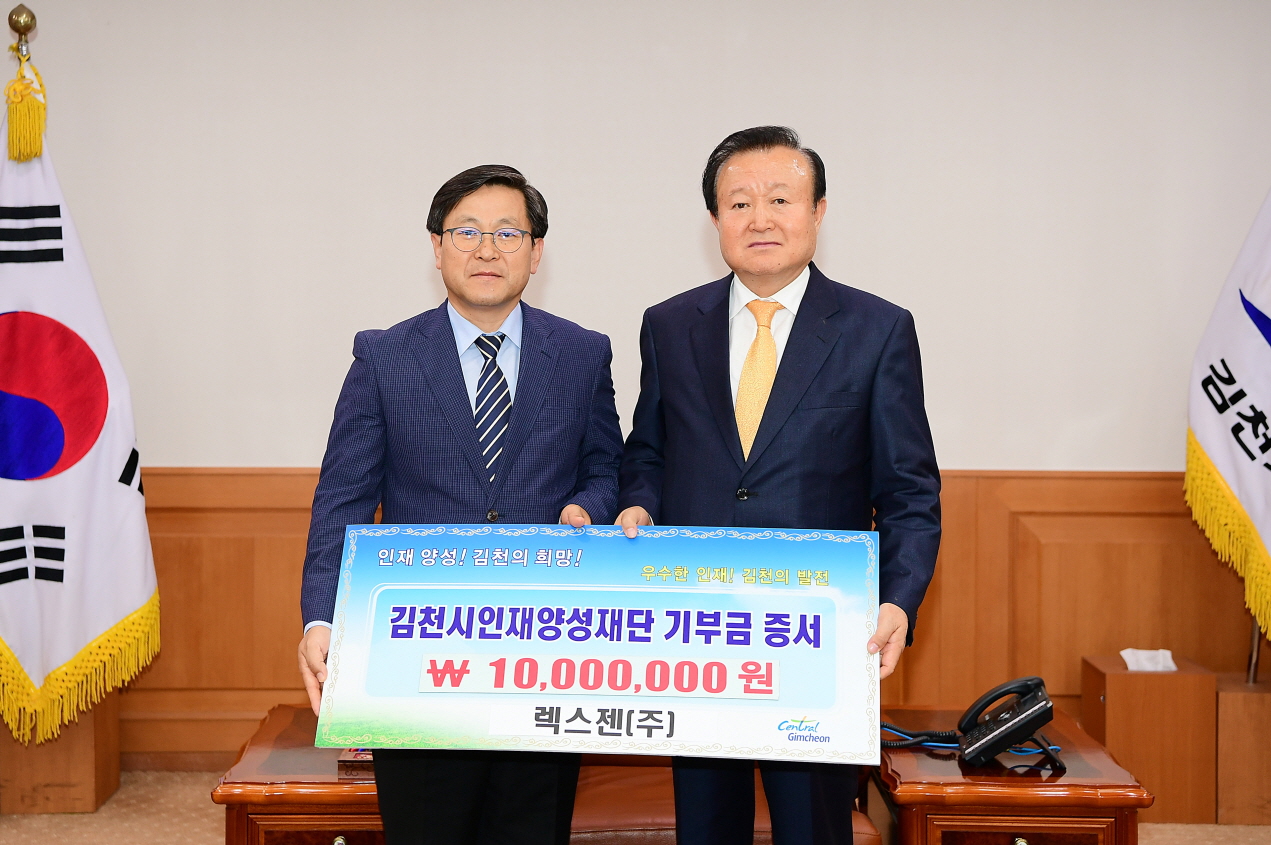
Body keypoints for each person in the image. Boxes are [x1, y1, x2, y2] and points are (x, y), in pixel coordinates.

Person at [616, 126, 941, 845]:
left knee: (812, 828)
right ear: (714, 219)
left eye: (780, 199)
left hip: (815, 636)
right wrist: (637, 501)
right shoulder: (669, 324)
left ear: (818, 211)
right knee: (706, 825)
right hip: (696, 630)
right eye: (739, 203)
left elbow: (909, 490)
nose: (758, 218)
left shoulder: (877, 329)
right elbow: (649, 451)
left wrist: (898, 599)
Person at [297, 164, 624, 845]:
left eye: (508, 232)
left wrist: (588, 507)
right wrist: (322, 617)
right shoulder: (385, 356)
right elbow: (343, 499)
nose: (486, 249)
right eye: (467, 231)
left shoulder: (582, 353)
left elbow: (605, 468)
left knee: (530, 828)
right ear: (437, 246)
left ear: (536, 251)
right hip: (417, 649)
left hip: (545, 647)